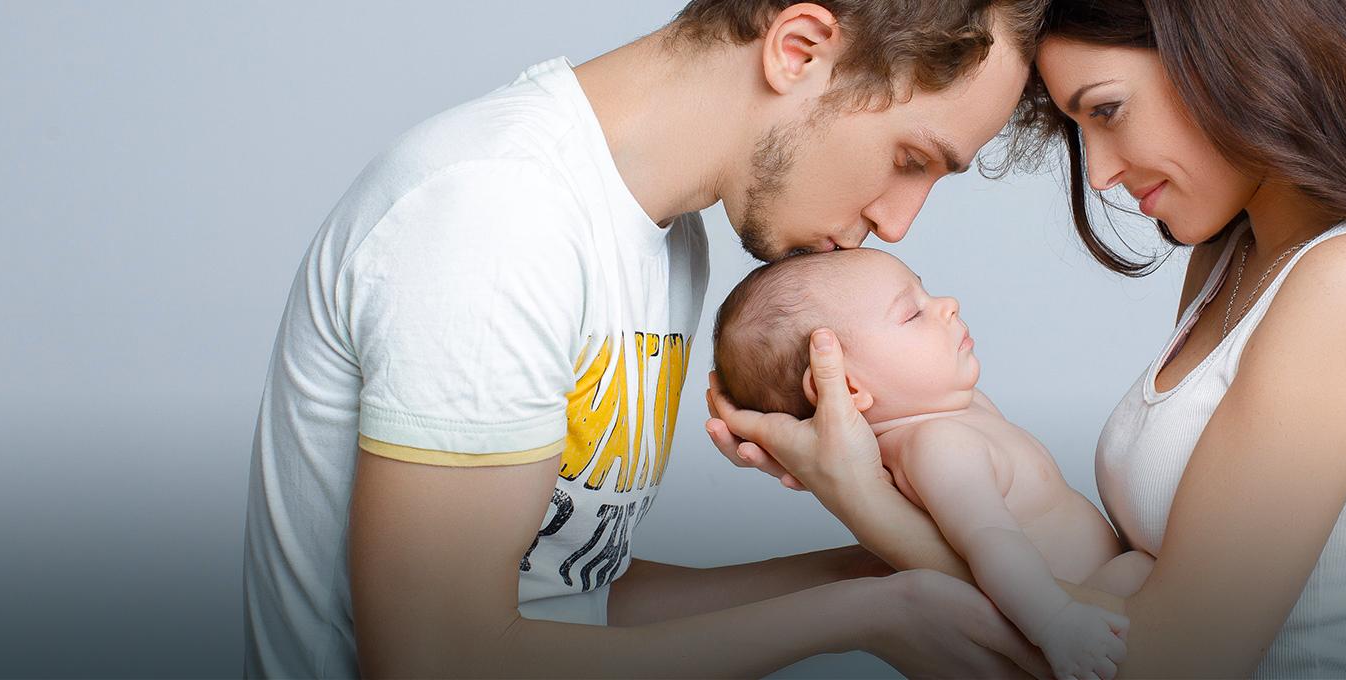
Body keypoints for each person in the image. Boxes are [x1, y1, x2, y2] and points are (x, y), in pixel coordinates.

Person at [709, 0, 1346, 677]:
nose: (1098, 174)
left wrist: (864, 497)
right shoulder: (1232, 260)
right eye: (1076, 129)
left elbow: (1156, 667)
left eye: (1106, 111)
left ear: (1230, 57)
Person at [241, 1, 1060, 677]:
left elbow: (569, 597)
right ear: (799, 50)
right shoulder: (497, 218)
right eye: (909, 158)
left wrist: (864, 564)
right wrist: (864, 614)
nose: (897, 222)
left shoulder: (668, 243)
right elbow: (439, 656)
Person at [712, 248, 1152, 680]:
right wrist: (1058, 622)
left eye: (926, 293)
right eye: (912, 314)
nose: (946, 305)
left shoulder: (955, 411)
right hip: (1077, 617)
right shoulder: (937, 447)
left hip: (1088, 604)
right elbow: (991, 542)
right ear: (846, 387)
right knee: (1151, 572)